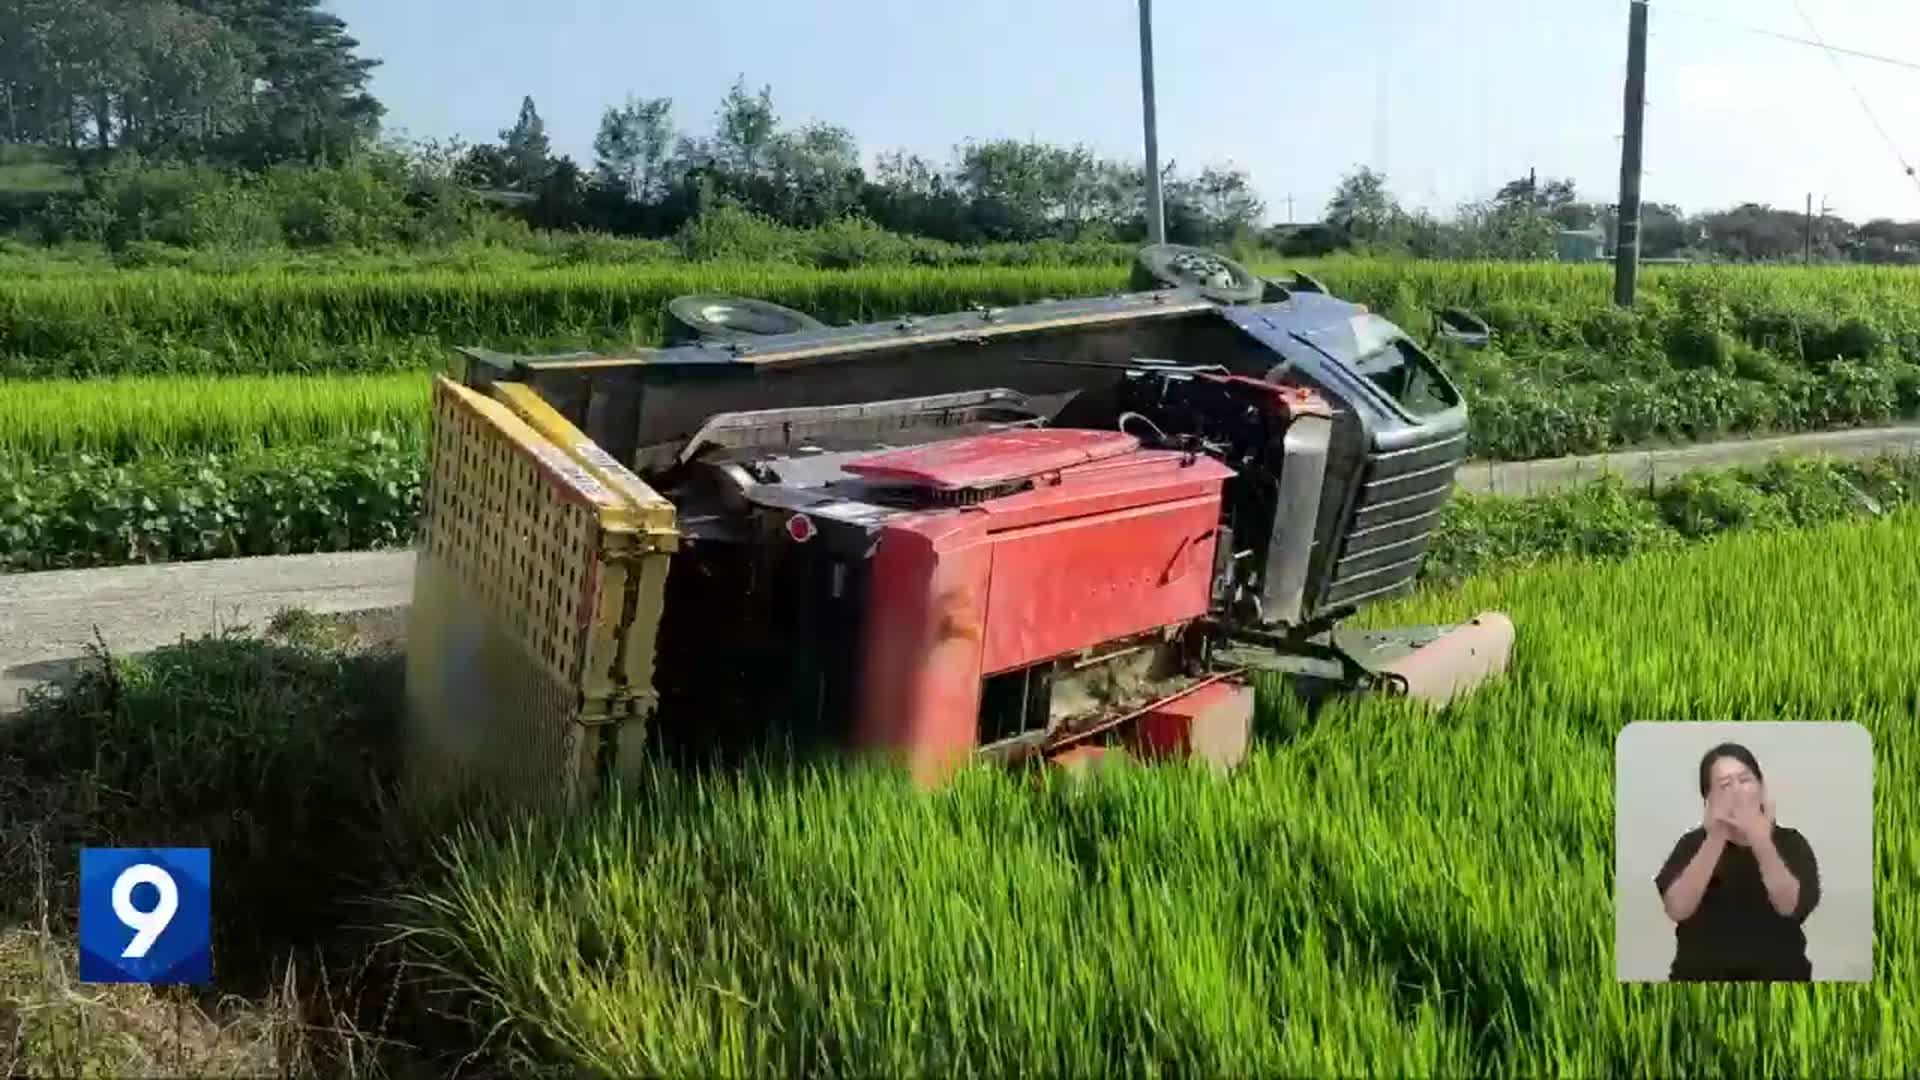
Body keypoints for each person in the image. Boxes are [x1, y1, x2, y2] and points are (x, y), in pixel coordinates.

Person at [1653, 742, 1822, 981]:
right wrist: (1716, 836)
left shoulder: (1791, 842)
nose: (1737, 791)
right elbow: (1677, 909)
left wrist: (1761, 840)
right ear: (1708, 798)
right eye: (1724, 785)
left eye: (1745, 780)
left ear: (1761, 788)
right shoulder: (1693, 844)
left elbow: (1789, 906)